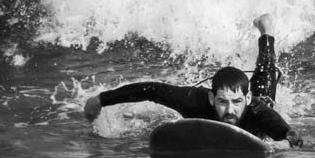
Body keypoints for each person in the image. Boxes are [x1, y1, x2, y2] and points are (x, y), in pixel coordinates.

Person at [83, 14, 303, 148]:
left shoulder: (259, 112)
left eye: (237, 102)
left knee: (266, 69)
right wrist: (101, 99)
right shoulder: (194, 101)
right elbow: (152, 90)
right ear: (210, 97)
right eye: (222, 101)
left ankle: (266, 29)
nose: (229, 110)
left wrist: (283, 144)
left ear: (247, 98)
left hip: (261, 100)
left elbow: (294, 138)